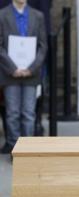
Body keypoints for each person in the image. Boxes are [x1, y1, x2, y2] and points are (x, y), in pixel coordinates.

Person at [0, 0, 47, 153]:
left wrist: (31, 68)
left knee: (28, 113)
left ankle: (27, 150)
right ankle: (14, 148)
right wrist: (12, 68)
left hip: (31, 74)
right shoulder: (2, 15)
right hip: (9, 73)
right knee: (12, 113)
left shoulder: (38, 16)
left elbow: (43, 46)